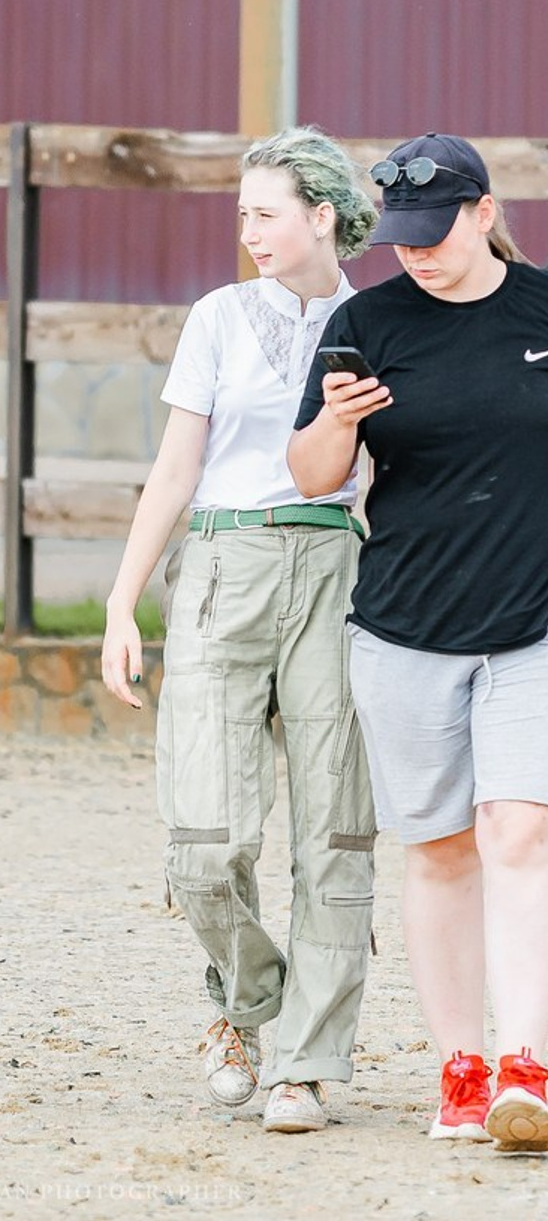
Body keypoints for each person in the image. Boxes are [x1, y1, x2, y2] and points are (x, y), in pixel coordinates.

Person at [101, 126, 378, 1134]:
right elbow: (177, 467)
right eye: (240, 215)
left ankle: (305, 1061)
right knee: (204, 835)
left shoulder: (381, 319)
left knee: (334, 827)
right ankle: (246, 999)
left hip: (337, 572)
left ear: (319, 215)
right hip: (220, 567)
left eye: (263, 213)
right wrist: (120, 597)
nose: (248, 231)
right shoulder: (217, 316)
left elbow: (392, 470)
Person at [289, 132, 548, 1151]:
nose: (416, 253)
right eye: (400, 238)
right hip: (402, 624)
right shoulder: (365, 322)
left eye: (434, 233)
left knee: (518, 831)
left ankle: (525, 1065)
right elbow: (310, 474)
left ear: (483, 213)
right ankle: (460, 1064)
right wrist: (339, 421)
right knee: (437, 849)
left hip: (532, 623)